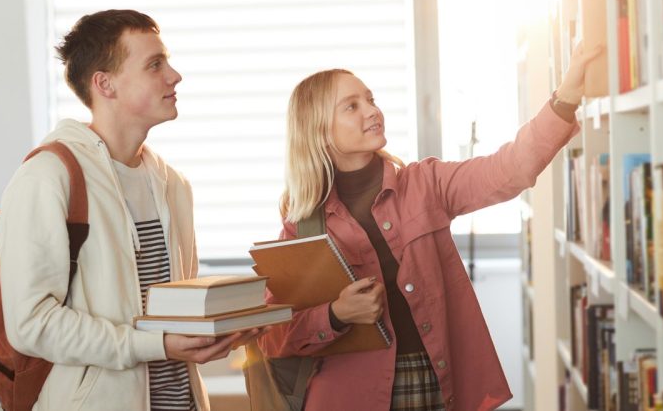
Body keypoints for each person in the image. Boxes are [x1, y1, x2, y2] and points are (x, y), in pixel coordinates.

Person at [257, 44, 602, 410]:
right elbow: (274, 335)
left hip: (430, 380)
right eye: (352, 106)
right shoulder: (302, 225)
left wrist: (565, 98)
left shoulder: (426, 184)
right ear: (319, 131)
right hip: (345, 396)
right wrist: (336, 314)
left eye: (370, 99)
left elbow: (511, 168)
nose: (373, 111)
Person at [0, 9, 259, 411]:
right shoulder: (48, 177)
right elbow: (31, 325)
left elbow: (173, 312)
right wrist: (156, 345)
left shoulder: (173, 185)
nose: (174, 75)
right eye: (155, 65)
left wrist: (220, 328)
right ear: (105, 84)